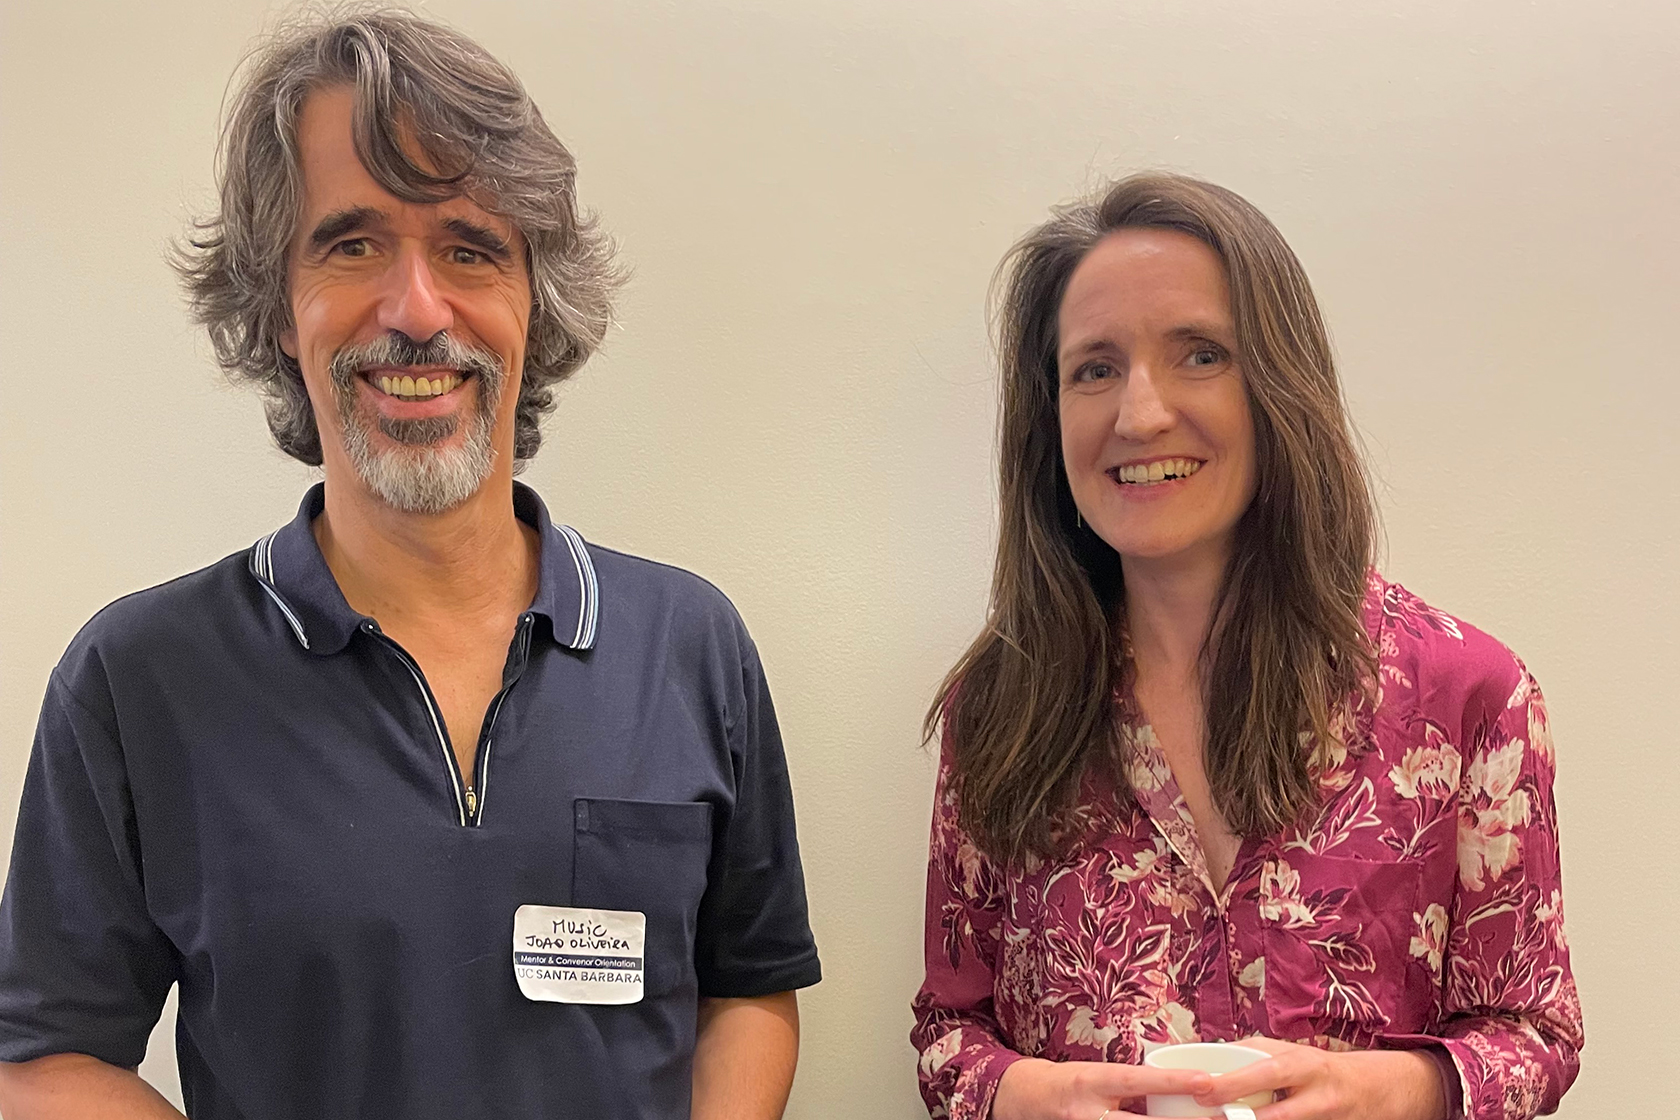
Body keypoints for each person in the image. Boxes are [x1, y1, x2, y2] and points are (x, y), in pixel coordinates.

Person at [0, 9, 819, 1118]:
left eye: (470, 249)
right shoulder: (135, 678)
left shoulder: (690, 644)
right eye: (352, 244)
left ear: (536, 299)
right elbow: (46, 1057)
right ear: (279, 308)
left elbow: (749, 988)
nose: (417, 309)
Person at [911, 173, 1581, 1120]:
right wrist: (1018, 1096)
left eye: (1199, 355)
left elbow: (1537, 1033)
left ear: (1279, 382)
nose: (1139, 414)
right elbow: (949, 1031)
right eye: (1094, 368)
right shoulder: (1003, 706)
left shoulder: (1467, 694)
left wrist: (1396, 1089)